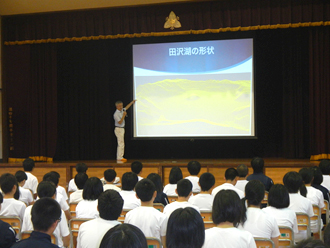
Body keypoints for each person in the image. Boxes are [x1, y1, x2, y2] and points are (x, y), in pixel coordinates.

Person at [21, 181, 70, 248]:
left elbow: (24, 233)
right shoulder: (59, 211)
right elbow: (66, 238)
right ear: (54, 196)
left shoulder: (28, 210)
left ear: (38, 194)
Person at [125, 179, 167, 246]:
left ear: (136, 195)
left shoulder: (129, 215)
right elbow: (164, 244)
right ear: (155, 194)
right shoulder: (162, 217)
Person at [239, 180, 280, 247]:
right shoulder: (270, 218)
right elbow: (275, 246)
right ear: (264, 197)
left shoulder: (236, 218)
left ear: (245, 194)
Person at [283, 171, 313, 242]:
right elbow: (310, 220)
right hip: (302, 237)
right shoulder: (307, 201)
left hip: (285, 236)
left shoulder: (281, 200)